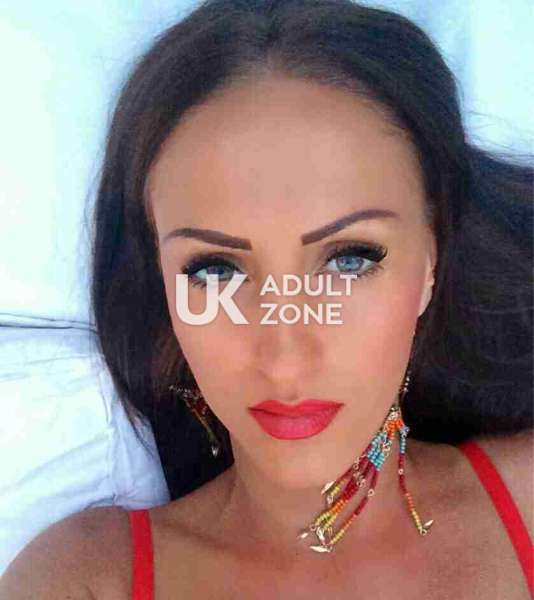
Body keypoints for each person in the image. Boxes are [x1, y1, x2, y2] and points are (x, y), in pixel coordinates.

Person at [1, 0, 532, 598]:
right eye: (216, 269)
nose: (284, 359)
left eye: (349, 259)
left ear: (431, 260)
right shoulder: (87, 580)